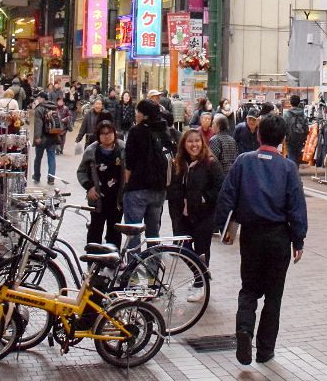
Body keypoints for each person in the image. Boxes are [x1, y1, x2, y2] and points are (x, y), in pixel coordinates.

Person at [215, 114, 308, 366]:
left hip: (251, 235)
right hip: (279, 236)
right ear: (283, 139)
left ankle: (244, 330)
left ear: (258, 135)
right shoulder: (288, 167)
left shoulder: (244, 162)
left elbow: (227, 195)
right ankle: (265, 350)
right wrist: (298, 240)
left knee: (249, 289)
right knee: (273, 296)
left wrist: (221, 226)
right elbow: (296, 206)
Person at [167, 128, 225, 302]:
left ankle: (200, 283)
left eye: (197, 141)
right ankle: (201, 273)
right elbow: (172, 190)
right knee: (182, 248)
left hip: (203, 215)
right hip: (182, 215)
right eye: (190, 141)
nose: (194, 145)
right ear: (184, 144)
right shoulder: (178, 163)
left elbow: (220, 188)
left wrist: (203, 199)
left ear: (203, 143)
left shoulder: (210, 163)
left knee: (201, 250)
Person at [122, 98, 173, 248]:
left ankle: (133, 269)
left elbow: (129, 162)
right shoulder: (163, 131)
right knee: (153, 232)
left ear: (144, 115)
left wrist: (127, 184)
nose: (136, 114)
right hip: (159, 190)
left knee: (134, 232)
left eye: (138, 112)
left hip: (138, 188)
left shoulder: (136, 131)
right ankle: (153, 267)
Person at [78, 121, 125, 247]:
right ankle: (92, 261)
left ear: (114, 134)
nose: (106, 136)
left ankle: (112, 260)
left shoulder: (122, 148)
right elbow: (81, 171)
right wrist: (89, 187)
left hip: (117, 200)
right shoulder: (91, 150)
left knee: (114, 231)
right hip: (98, 199)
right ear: (98, 136)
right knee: (95, 230)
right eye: (103, 134)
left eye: (109, 133)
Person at [283, 95, 310, 165]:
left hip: (290, 139)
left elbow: (283, 128)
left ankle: (292, 173)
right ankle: (295, 173)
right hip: (300, 140)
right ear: (298, 103)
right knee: (297, 158)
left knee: (291, 156)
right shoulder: (303, 115)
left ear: (290, 102)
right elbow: (307, 129)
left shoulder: (286, 114)